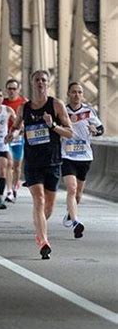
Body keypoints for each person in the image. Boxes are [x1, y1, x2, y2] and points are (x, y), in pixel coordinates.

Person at [7, 70, 73, 259]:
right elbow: (17, 126)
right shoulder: (24, 108)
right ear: (31, 83)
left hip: (52, 161)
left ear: (48, 83)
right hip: (33, 162)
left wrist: (52, 125)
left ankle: (39, 227)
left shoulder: (56, 105)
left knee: (49, 207)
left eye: (43, 80)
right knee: (39, 199)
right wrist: (12, 134)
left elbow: (70, 133)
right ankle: (44, 241)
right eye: (37, 80)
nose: (40, 83)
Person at [61, 82, 104, 238]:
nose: (77, 95)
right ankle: (76, 222)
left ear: (82, 95)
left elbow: (101, 129)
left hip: (85, 156)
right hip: (67, 155)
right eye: (74, 92)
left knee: (78, 194)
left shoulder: (88, 111)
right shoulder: (62, 111)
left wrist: (95, 130)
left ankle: (70, 214)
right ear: (68, 93)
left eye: (79, 92)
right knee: (71, 189)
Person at [2, 79, 28, 202]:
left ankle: (14, 186)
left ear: (18, 90)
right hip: (6, 137)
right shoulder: (3, 102)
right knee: (9, 164)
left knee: (17, 166)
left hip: (19, 138)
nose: (11, 91)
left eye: (14, 89)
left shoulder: (24, 103)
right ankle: (9, 191)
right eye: (9, 88)